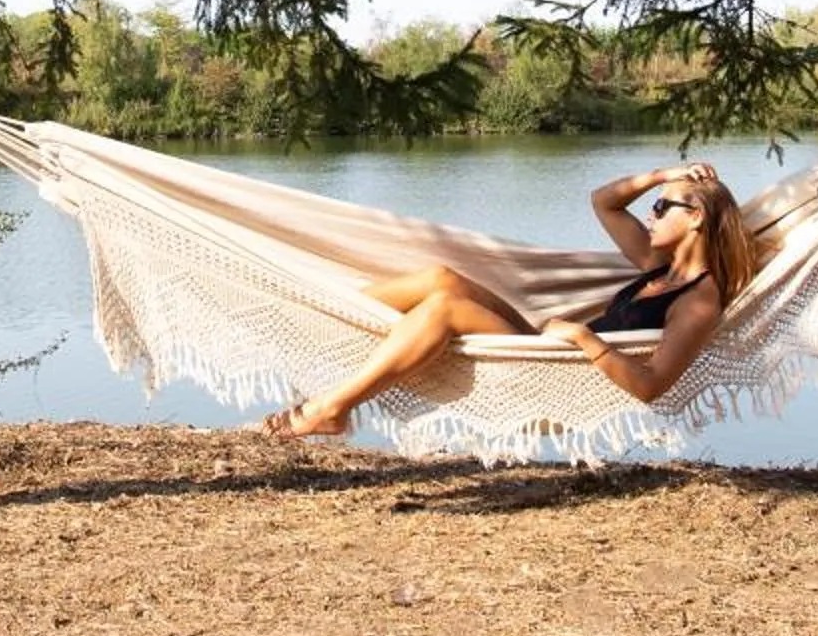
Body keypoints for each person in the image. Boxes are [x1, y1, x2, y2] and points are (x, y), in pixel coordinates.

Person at [259, 161, 762, 437]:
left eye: (661, 207)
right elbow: (603, 201)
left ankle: (335, 406)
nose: (650, 215)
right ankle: (318, 317)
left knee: (442, 308)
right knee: (439, 277)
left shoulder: (698, 301)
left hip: (559, 377)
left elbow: (652, 386)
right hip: (544, 348)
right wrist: (662, 177)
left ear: (695, 218)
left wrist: (586, 338)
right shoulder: (660, 267)